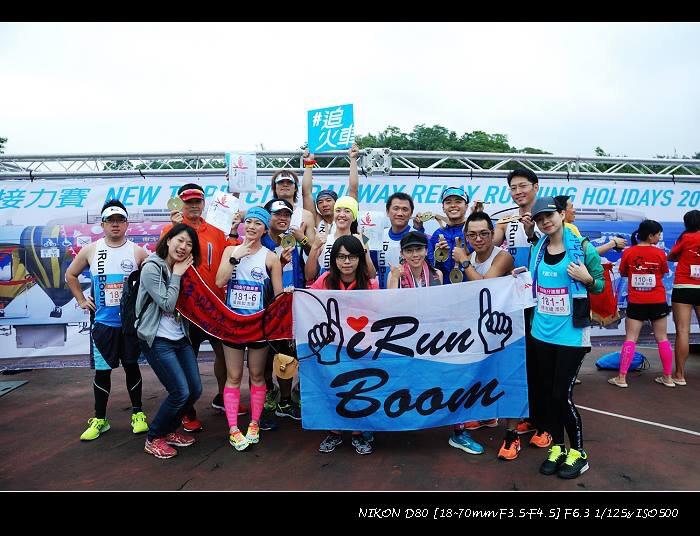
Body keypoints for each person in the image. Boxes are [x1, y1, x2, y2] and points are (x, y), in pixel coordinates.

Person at [528, 197, 604, 479]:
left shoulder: (583, 248)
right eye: (539, 219)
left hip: (571, 335)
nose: (545, 222)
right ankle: (558, 448)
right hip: (541, 332)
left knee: (562, 395)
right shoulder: (537, 248)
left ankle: (578, 453)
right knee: (549, 395)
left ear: (561, 215)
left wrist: (587, 278)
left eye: (549, 216)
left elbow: (600, 286)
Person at [66, 200, 150, 441]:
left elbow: (151, 281)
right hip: (103, 324)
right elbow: (70, 274)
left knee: (132, 367)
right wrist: (82, 300)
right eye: (110, 220)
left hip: (129, 326)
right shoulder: (91, 250)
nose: (115, 224)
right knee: (102, 373)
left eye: (120, 220)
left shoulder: (138, 252)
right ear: (102, 224)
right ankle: (100, 419)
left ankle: (138, 414)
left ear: (127, 224)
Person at [453, 212, 526, 460]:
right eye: (472, 234)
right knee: (483, 375)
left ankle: (512, 435)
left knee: (510, 379)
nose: (479, 239)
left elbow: (485, 283)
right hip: (484, 330)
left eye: (484, 233)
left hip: (508, 332)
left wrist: (464, 262)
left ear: (493, 233)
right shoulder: (471, 255)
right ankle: (488, 417)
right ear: (466, 236)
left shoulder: (502, 256)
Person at [215, 207, 283, 451]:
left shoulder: (270, 258)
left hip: (258, 326)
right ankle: (233, 428)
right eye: (250, 222)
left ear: (265, 229)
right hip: (233, 324)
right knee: (233, 377)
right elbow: (220, 281)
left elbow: (278, 297)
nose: (252, 227)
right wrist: (236, 257)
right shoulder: (230, 250)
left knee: (257, 375)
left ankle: (254, 423)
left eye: (258, 223)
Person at [164, 183, 230, 431]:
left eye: (197, 201)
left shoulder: (216, 230)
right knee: (186, 357)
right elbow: (162, 262)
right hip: (186, 308)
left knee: (225, 354)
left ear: (204, 204)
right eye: (188, 201)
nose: (193, 206)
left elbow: (229, 256)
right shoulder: (170, 231)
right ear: (180, 204)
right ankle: (186, 410)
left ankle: (224, 397)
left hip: (215, 305)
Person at [137, 224, 202, 459]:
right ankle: (154, 437)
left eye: (189, 244)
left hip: (180, 338)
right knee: (179, 392)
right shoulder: (152, 267)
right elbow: (166, 303)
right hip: (157, 340)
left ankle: (168, 430)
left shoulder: (186, 269)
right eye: (180, 240)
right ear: (168, 240)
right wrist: (176, 274)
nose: (183, 247)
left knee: (194, 390)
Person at [491, 169, 547, 442]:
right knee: (523, 360)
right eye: (513, 188)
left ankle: (545, 423)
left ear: (535, 186)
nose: (518, 192)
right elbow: (488, 244)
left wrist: (533, 232)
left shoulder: (548, 217)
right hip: (517, 299)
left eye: (522, 186)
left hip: (544, 300)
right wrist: (477, 221)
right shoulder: (508, 220)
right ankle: (530, 415)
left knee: (543, 360)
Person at [311, 235, 378, 455]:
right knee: (333, 387)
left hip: (361, 348)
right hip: (332, 347)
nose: (346, 262)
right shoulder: (324, 281)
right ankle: (334, 431)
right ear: (334, 259)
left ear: (360, 258)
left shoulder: (371, 285)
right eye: (341, 257)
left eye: (352, 256)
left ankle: (359, 433)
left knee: (359, 389)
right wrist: (295, 295)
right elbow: (310, 305)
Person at [608, 220, 673, 388]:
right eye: (658, 234)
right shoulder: (659, 253)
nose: (659, 237)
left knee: (631, 338)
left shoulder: (629, 252)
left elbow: (623, 272)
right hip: (658, 300)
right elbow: (664, 272)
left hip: (637, 301)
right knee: (662, 338)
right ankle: (668, 378)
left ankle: (622, 378)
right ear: (650, 236)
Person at [261, 198, 304, 425]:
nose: (282, 218)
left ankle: (286, 400)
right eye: (277, 214)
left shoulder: (292, 242)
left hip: (292, 306)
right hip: (267, 308)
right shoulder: (260, 243)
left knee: (287, 354)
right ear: (267, 217)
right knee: (266, 356)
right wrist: (278, 263)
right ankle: (270, 392)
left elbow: (303, 272)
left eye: (286, 214)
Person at [305, 196, 376, 282]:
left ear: (354, 217)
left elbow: (372, 276)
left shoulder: (362, 239)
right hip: (326, 289)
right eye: (338, 211)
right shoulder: (323, 239)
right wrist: (314, 247)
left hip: (353, 288)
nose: (341, 215)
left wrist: (364, 251)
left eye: (347, 211)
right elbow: (308, 276)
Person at [668, 209, 700, 386]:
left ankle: (679, 375)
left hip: (684, 286)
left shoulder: (685, 238)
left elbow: (671, 256)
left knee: (682, 331)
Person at [414, 186, 469, 284]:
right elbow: (430, 265)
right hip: (443, 288)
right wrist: (439, 257)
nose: (453, 205)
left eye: (458, 202)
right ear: (443, 208)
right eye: (448, 202)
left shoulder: (472, 231)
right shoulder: (438, 234)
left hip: (470, 287)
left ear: (466, 206)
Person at [302, 144, 359, 235]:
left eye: (328, 200)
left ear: (337, 203)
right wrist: (309, 164)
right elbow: (306, 193)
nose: (324, 204)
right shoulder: (317, 220)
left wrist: (353, 159)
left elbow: (353, 190)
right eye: (320, 202)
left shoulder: (347, 219)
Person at [554, 195, 627, 256]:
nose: (574, 210)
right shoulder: (569, 227)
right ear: (563, 212)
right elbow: (587, 254)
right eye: (571, 207)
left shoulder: (557, 229)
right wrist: (613, 243)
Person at [376, 193, 420, 289]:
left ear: (411, 214)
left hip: (410, 295)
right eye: (396, 208)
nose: (400, 213)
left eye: (405, 209)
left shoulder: (419, 238)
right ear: (387, 212)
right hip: (382, 295)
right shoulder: (378, 236)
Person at [269, 169, 315, 252]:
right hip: (270, 259)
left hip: (298, 260)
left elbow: (314, 251)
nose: (285, 185)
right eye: (281, 182)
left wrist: (302, 239)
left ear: (295, 188)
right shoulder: (266, 211)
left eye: (289, 182)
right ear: (274, 188)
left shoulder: (306, 215)